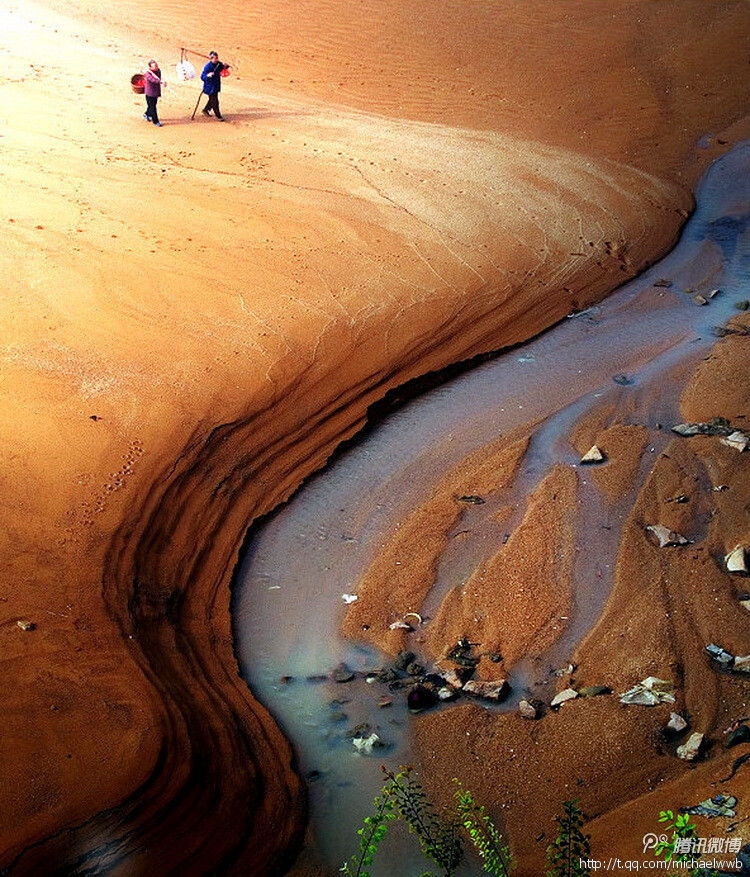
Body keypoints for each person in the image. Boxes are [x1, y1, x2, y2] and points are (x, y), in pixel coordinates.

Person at [201, 51, 227, 120]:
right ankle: (218, 116)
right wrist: (207, 75)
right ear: (211, 59)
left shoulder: (218, 64)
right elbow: (202, 77)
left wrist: (225, 66)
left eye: (217, 58)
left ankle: (205, 110)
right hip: (209, 87)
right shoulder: (207, 67)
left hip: (216, 85)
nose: (216, 59)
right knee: (215, 102)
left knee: (212, 100)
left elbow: (222, 68)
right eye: (215, 58)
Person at [143, 60, 163, 126]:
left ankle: (146, 114)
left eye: (157, 65)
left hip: (155, 92)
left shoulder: (158, 71)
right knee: (153, 107)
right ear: (150, 68)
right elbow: (152, 80)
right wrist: (160, 82)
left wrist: (161, 82)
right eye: (155, 66)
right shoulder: (148, 74)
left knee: (151, 106)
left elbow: (158, 78)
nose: (157, 67)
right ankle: (155, 121)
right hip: (149, 93)